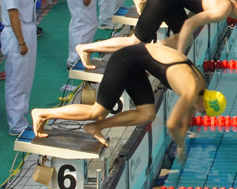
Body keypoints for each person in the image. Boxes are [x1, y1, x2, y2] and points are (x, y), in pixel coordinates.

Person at [32, 43, 226, 162]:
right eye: (205, 112)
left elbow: (189, 112)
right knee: (97, 111)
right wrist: (181, 144)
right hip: (125, 61)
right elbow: (172, 124)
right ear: (205, 104)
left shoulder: (200, 86)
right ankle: (42, 113)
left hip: (137, 64)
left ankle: (95, 127)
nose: (201, 114)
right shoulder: (191, 90)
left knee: (148, 114)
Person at [76, 0, 237, 67]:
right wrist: (180, 58)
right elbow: (189, 24)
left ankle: (152, 51)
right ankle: (86, 48)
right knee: (135, 42)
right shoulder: (223, 11)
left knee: (185, 39)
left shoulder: (230, 1)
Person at [0, 0, 37, 136]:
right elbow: (13, 14)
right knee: (16, 80)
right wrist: (21, 42)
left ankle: (21, 118)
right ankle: (15, 123)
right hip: (17, 34)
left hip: (27, 30)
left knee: (26, 77)